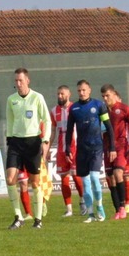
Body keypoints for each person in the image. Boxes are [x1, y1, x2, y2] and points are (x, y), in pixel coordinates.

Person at [5, 68, 52, 229]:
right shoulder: (11, 99)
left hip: (33, 142)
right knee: (10, 179)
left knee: (35, 182)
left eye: (21, 80)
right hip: (15, 143)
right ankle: (18, 217)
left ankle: (37, 219)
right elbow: (10, 121)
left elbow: (47, 120)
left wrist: (45, 140)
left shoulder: (37, 97)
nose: (18, 83)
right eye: (16, 81)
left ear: (27, 80)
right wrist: (9, 138)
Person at [66, 79, 114, 222]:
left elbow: (109, 127)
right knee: (86, 183)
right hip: (82, 149)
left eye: (84, 90)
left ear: (89, 90)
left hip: (96, 147)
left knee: (94, 177)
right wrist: (67, 147)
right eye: (79, 91)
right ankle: (91, 214)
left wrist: (112, 147)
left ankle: (99, 206)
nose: (81, 93)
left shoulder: (99, 105)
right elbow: (69, 130)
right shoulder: (74, 109)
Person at [101, 84, 129, 219]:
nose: (105, 99)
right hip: (107, 147)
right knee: (110, 179)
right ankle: (117, 210)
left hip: (121, 146)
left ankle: (123, 207)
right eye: (103, 96)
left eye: (107, 96)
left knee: (118, 173)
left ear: (114, 94)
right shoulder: (102, 110)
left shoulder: (124, 109)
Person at [49, 86, 86, 218]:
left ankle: (82, 200)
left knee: (76, 176)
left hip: (75, 146)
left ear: (69, 94)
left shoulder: (76, 108)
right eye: (58, 94)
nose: (60, 96)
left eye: (62, 94)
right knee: (63, 178)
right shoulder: (54, 111)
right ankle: (69, 209)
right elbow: (53, 131)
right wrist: (47, 148)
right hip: (61, 148)